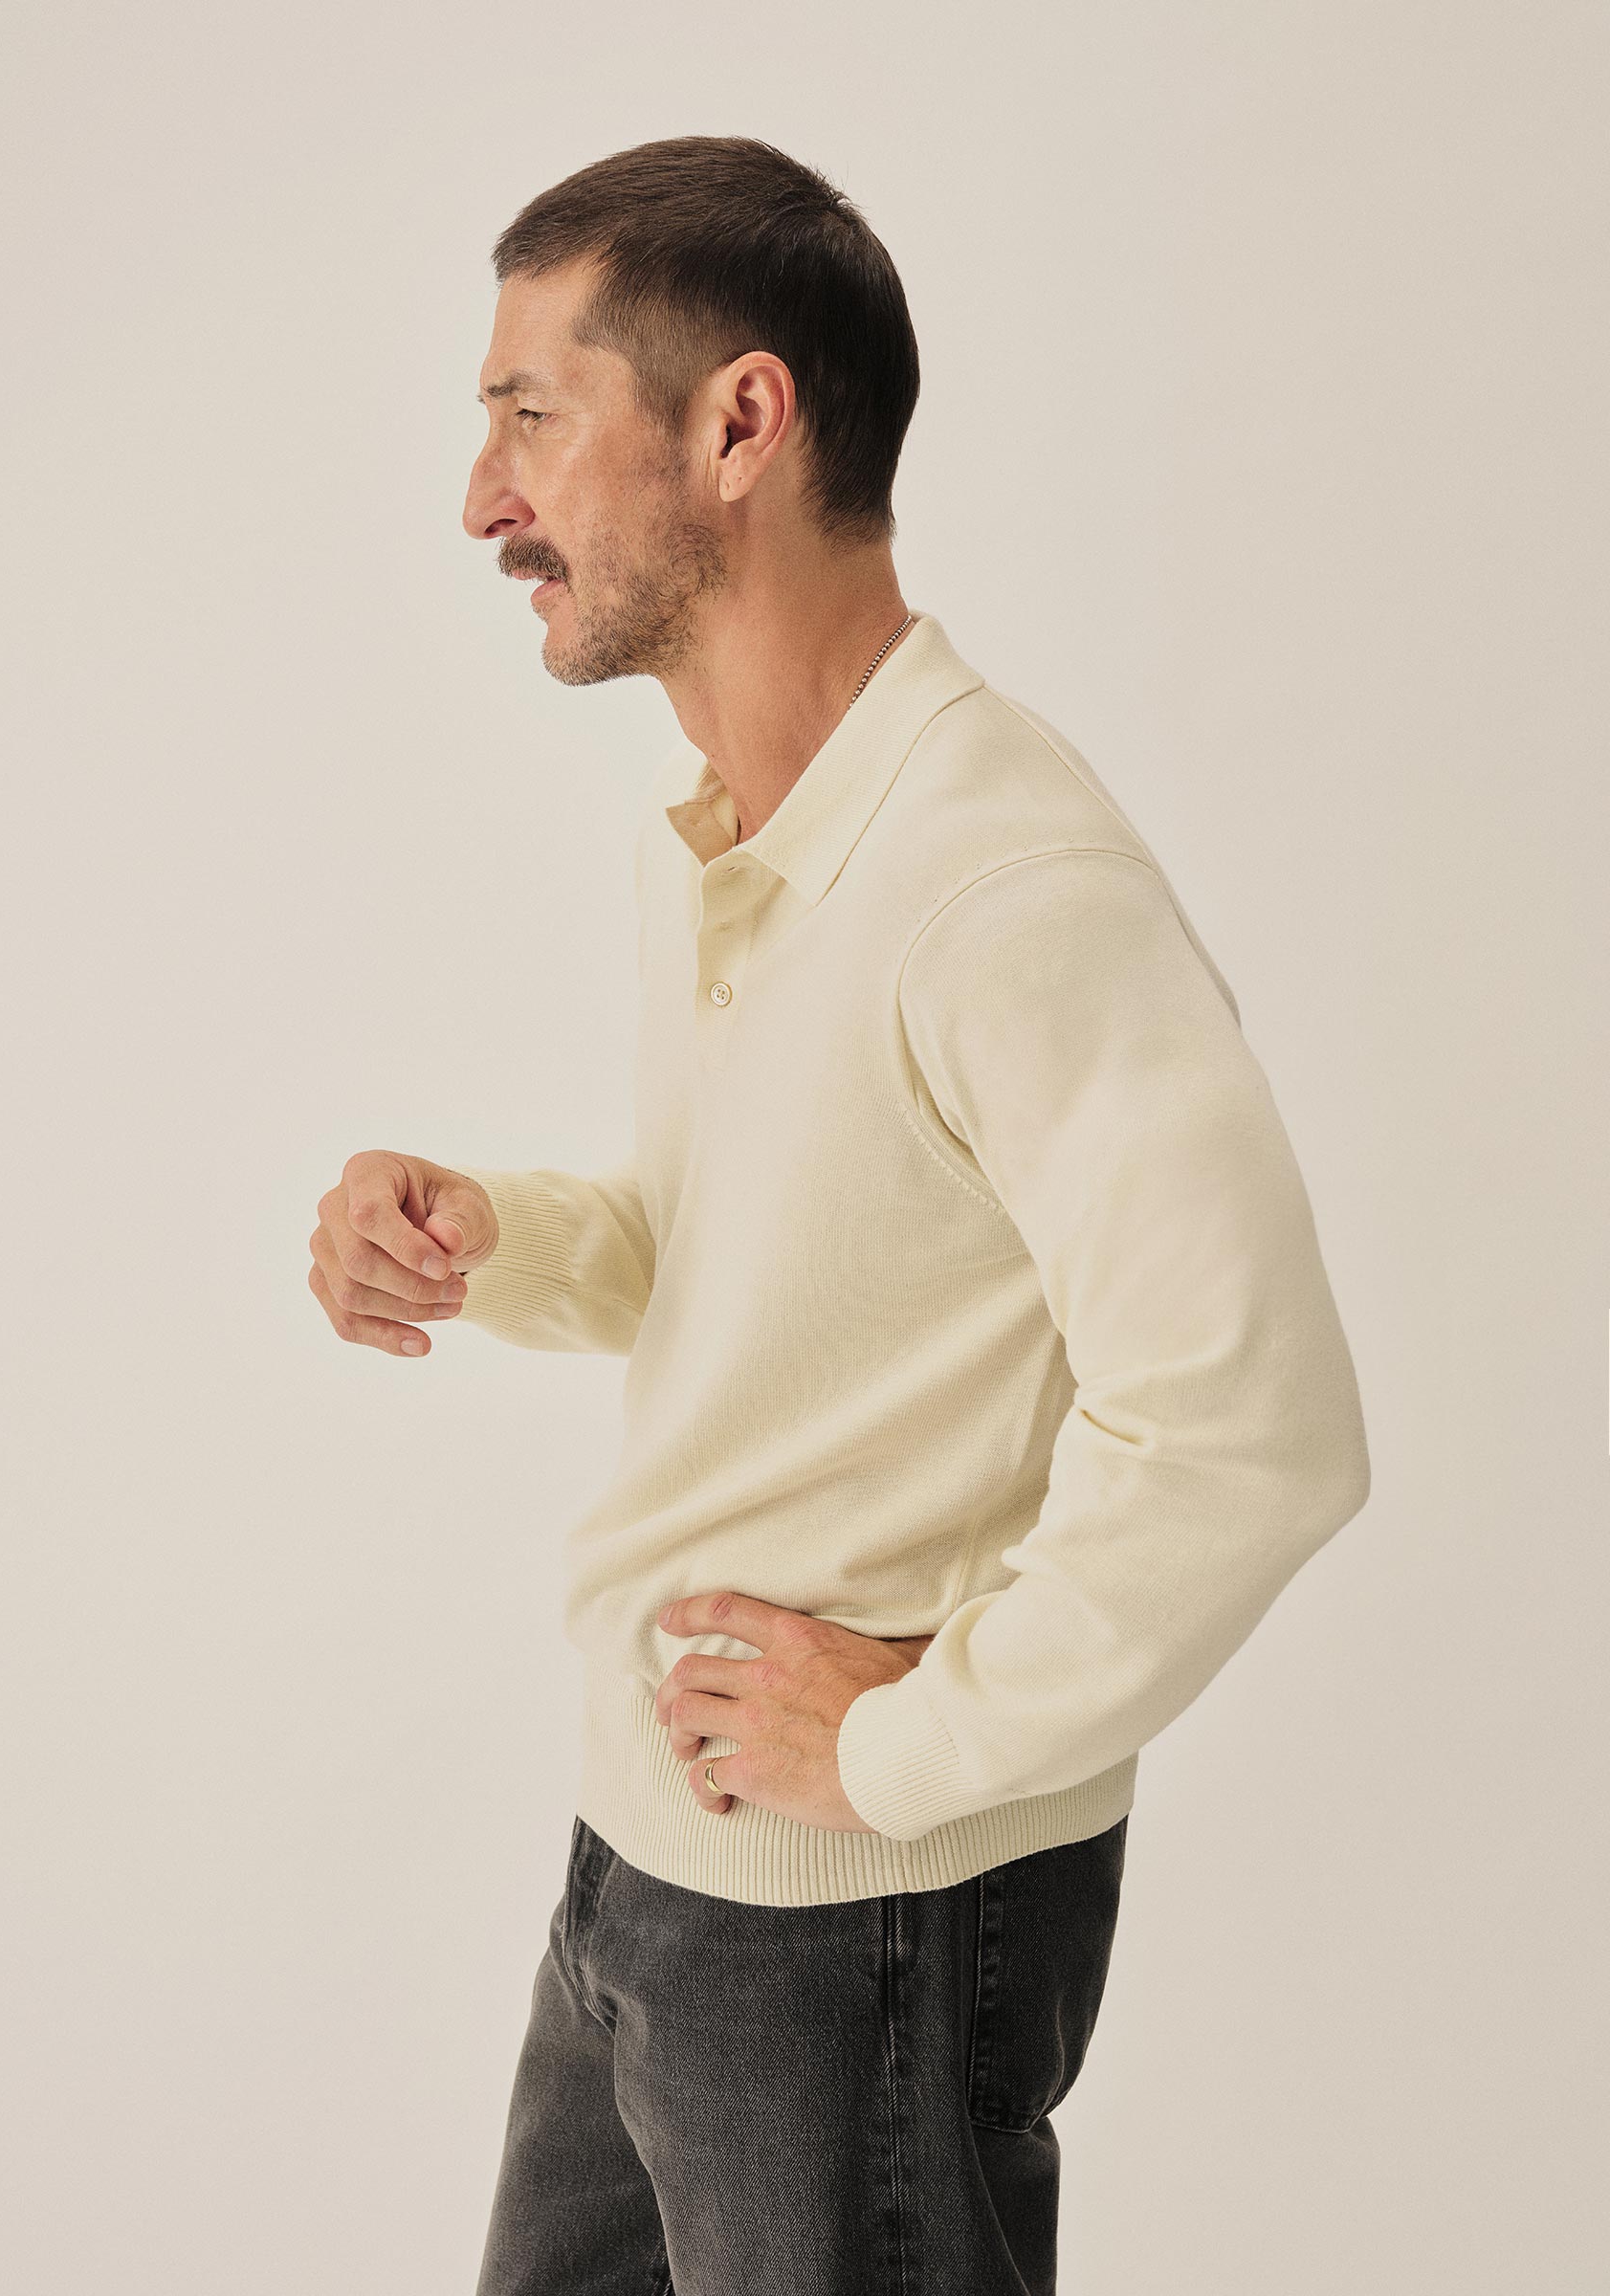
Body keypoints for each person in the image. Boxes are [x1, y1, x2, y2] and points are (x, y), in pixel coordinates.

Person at [306, 134, 1372, 2296]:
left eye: (529, 414)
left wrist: (906, 1746)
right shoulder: (740, 831)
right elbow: (781, 1252)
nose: (483, 500)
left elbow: (1255, 1433)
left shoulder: (1006, 888)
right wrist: (490, 1238)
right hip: (651, 1869)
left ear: (739, 424)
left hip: (863, 1923)